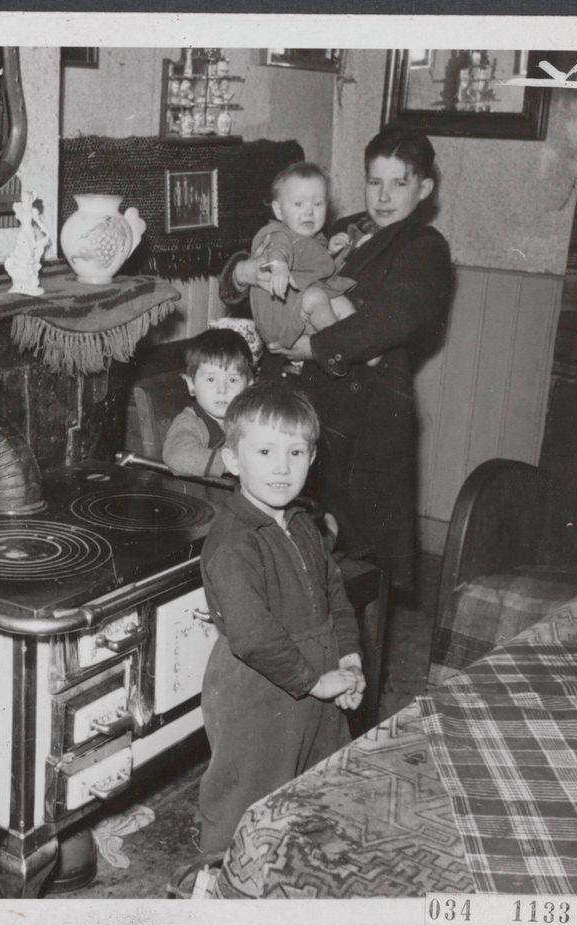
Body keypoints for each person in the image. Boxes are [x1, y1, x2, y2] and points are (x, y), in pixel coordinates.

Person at [220, 129, 455, 592]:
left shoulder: (424, 247)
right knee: (278, 538)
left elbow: (395, 320)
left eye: (399, 183)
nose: (383, 196)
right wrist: (242, 271)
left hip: (362, 413)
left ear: (424, 189)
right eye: (374, 182)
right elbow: (268, 254)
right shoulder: (335, 225)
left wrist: (313, 348)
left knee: (345, 557)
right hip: (304, 397)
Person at [196, 382, 364, 859]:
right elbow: (251, 636)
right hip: (257, 688)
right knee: (246, 789)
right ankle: (219, 876)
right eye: (265, 450)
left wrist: (349, 657)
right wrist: (313, 681)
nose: (282, 466)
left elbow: (335, 592)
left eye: (296, 452)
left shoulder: (303, 523)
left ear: (312, 460)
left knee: (321, 775)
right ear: (232, 460)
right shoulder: (234, 542)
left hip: (319, 675)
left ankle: (298, 869)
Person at [241, 161, 358, 356]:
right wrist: (279, 266)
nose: (309, 211)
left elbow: (314, 267)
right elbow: (279, 250)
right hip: (279, 315)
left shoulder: (315, 239)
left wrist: (330, 253)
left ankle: (366, 352)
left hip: (301, 310)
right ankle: (339, 348)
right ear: (279, 211)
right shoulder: (277, 232)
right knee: (316, 297)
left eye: (318, 203)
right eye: (298, 203)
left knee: (342, 302)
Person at [161, 327, 255, 479]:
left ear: (249, 387)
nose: (222, 389)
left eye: (232, 380)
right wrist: (236, 463)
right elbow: (178, 456)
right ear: (192, 384)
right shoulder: (190, 421)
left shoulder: (250, 419)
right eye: (211, 379)